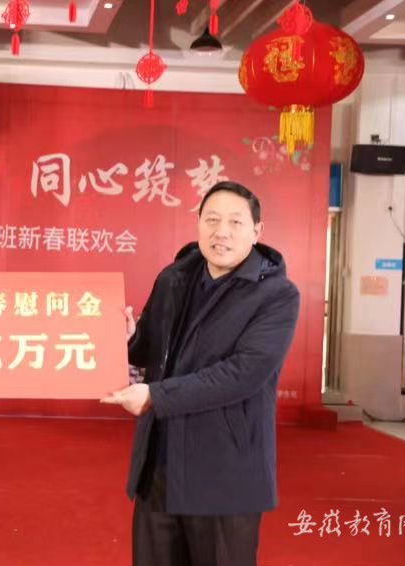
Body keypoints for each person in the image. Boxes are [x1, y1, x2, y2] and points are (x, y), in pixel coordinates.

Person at [102, 181, 300, 566]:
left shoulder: (277, 295)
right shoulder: (173, 278)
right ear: (197, 223)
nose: (221, 232)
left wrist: (155, 396)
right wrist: (129, 339)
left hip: (224, 474)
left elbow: (243, 373)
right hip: (160, 465)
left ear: (257, 231)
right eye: (211, 219)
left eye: (235, 222)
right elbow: (150, 347)